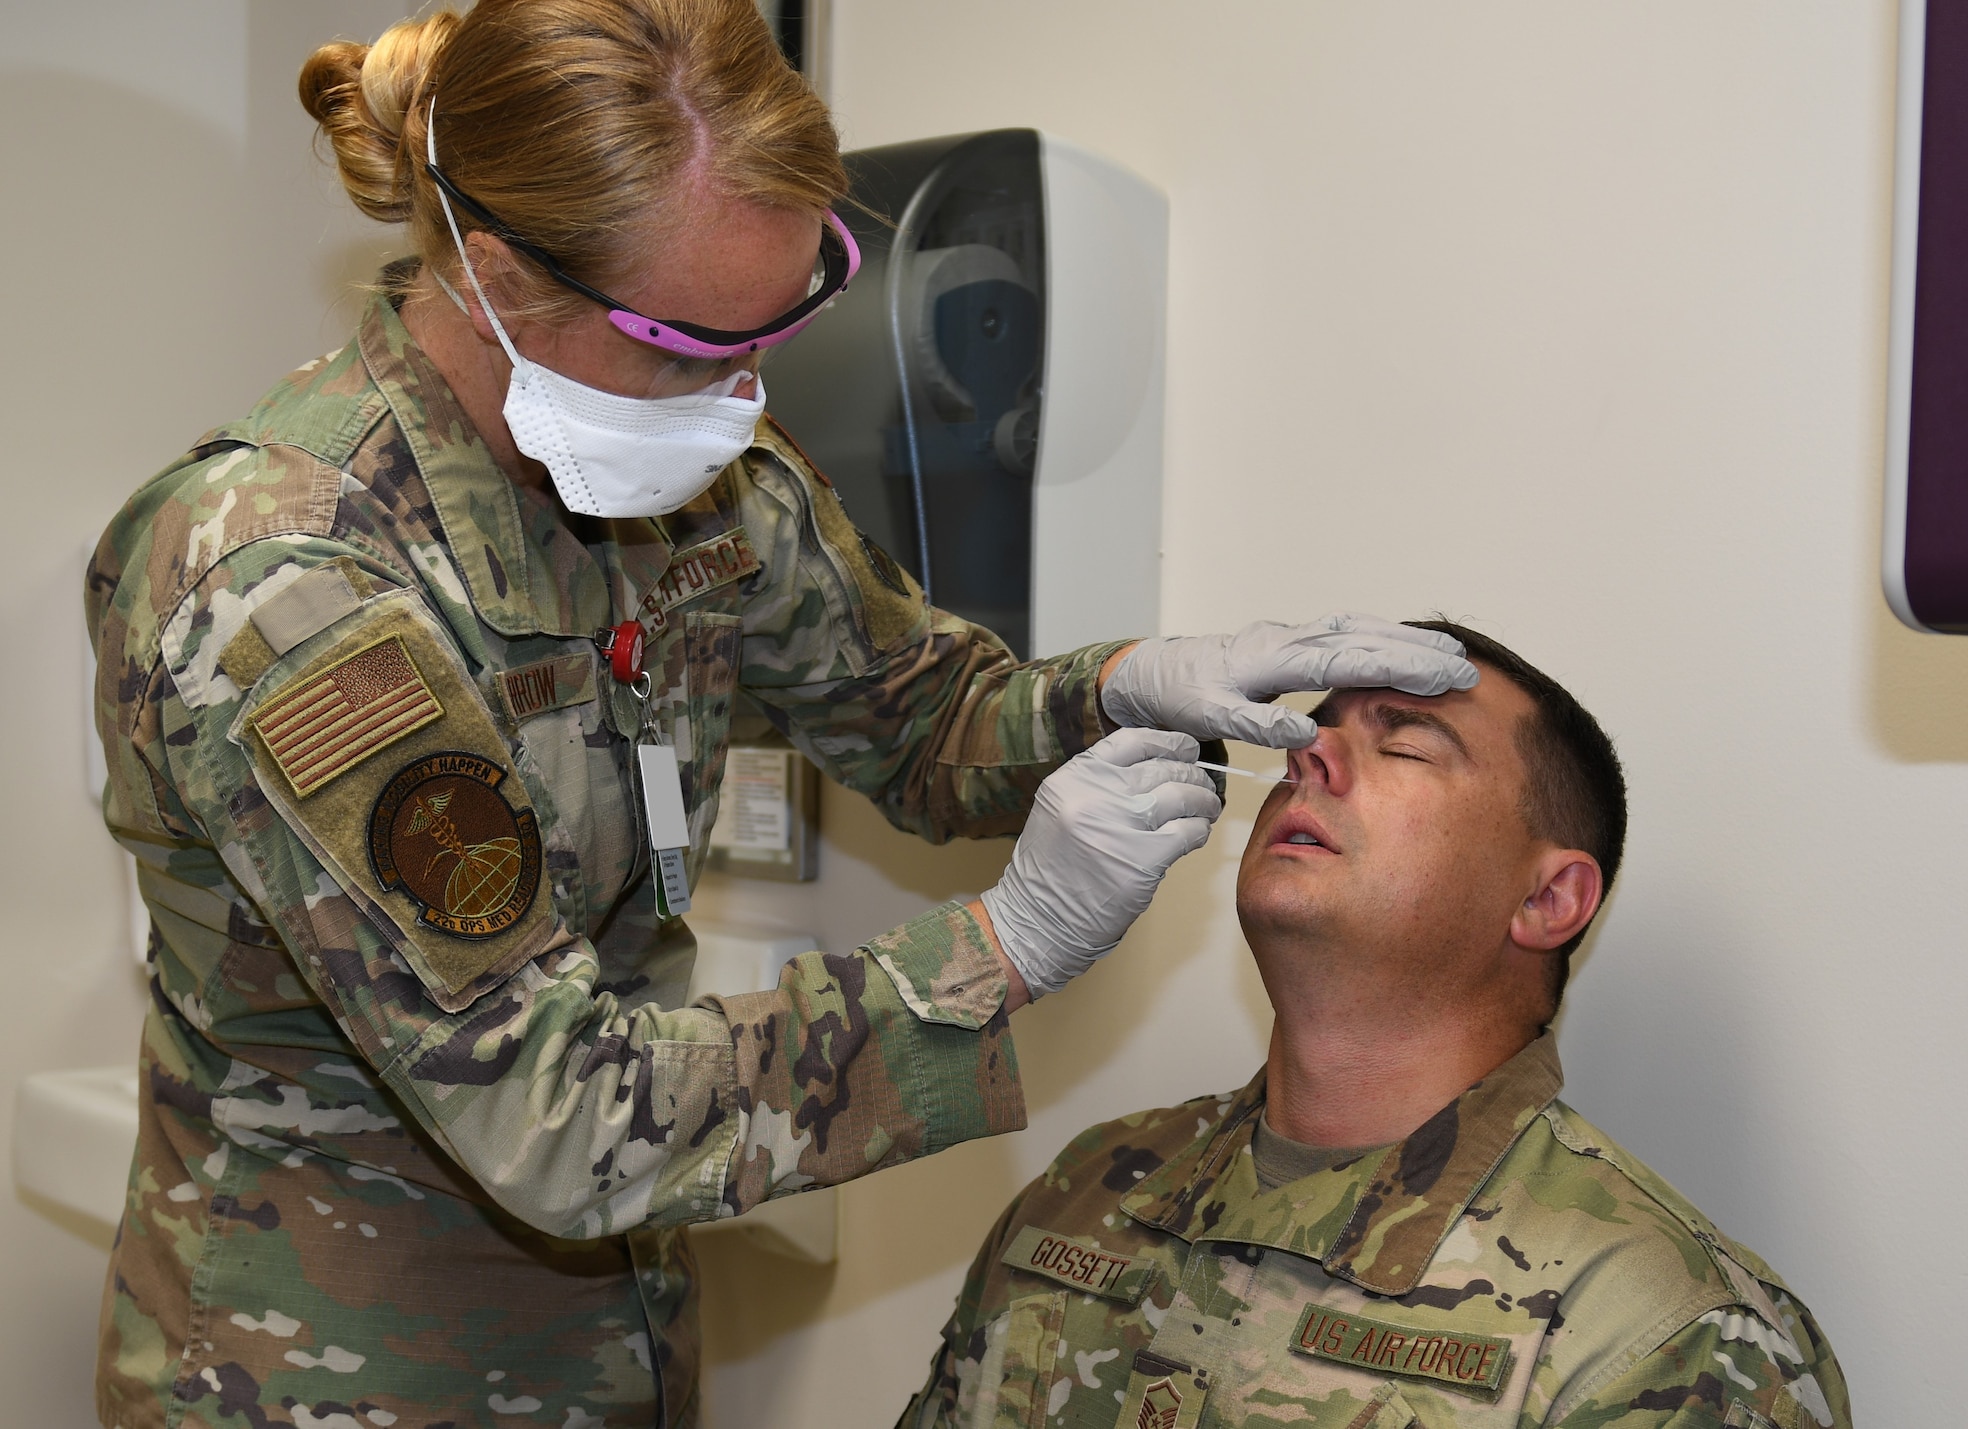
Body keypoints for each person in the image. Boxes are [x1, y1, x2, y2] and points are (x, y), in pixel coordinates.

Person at [82, 3, 1478, 1424]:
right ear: (500, 274)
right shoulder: (286, 586)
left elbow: (925, 718)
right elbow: (560, 1114)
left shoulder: (691, 467)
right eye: (691, 339)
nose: (745, 393)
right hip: (332, 1381)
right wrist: (1005, 947)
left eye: (786, 316)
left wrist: (1114, 687)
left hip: (617, 1346)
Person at [901, 622, 1850, 1429]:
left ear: (1549, 896)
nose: (1309, 756)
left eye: (1404, 745)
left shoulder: (1664, 1333)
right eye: (1311, 733)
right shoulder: (1089, 1190)